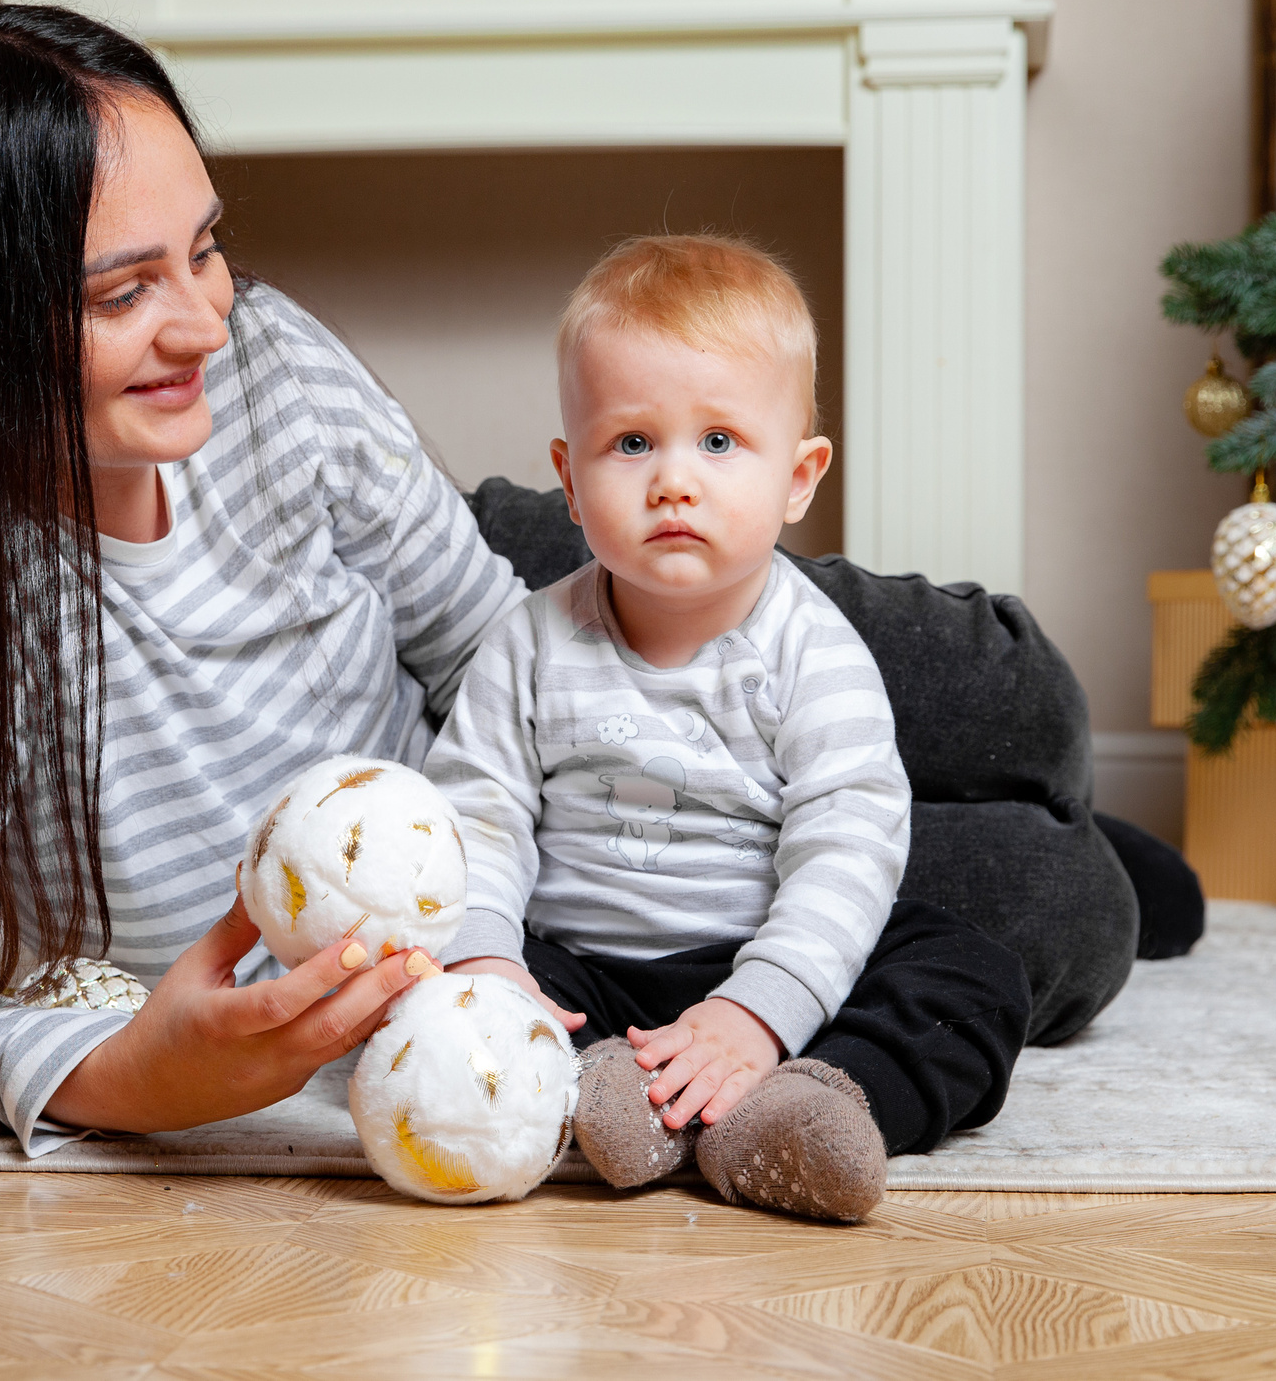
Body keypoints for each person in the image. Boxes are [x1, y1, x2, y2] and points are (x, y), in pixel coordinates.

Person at [0, 2, 1142, 1162]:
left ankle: (1026, 791)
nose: (212, 318)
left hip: (516, 606)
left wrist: (657, 743)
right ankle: (1123, 858)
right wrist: (133, 1075)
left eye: (208, 248)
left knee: (1007, 690)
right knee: (1055, 898)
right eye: (122, 290)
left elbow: (475, 638)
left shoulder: (268, 373)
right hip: (500, 827)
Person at [428, 237, 1028, 1222]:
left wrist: (761, 1011)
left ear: (798, 479)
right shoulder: (529, 641)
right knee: (431, 987)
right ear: (569, 481)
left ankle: (804, 1100)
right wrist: (488, 965)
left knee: (969, 973)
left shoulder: (812, 655)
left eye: (717, 442)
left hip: (759, 957)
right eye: (630, 444)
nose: (672, 480)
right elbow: (476, 809)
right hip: (583, 970)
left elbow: (845, 845)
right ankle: (616, 1093)